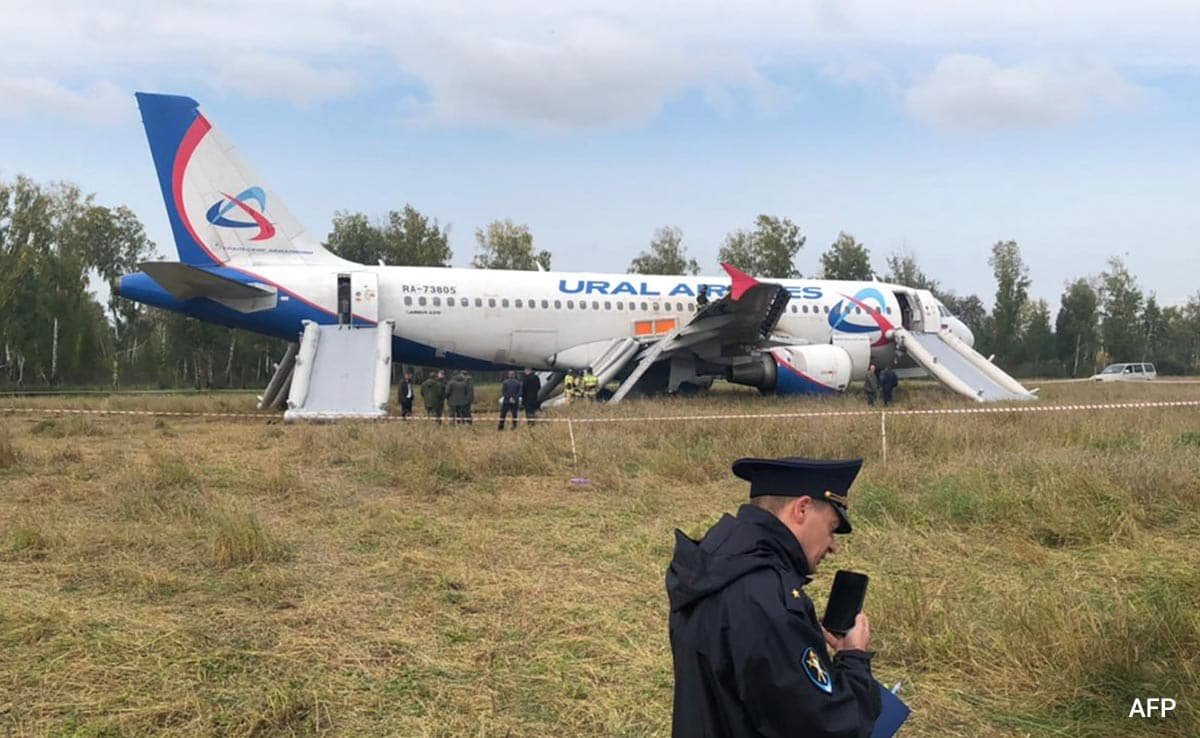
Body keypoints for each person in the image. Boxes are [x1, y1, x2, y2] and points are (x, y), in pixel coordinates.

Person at [667, 457, 882, 738]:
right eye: (831, 528)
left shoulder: (715, 560)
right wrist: (854, 659)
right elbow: (828, 726)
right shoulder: (766, 598)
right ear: (802, 509)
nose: (833, 546)